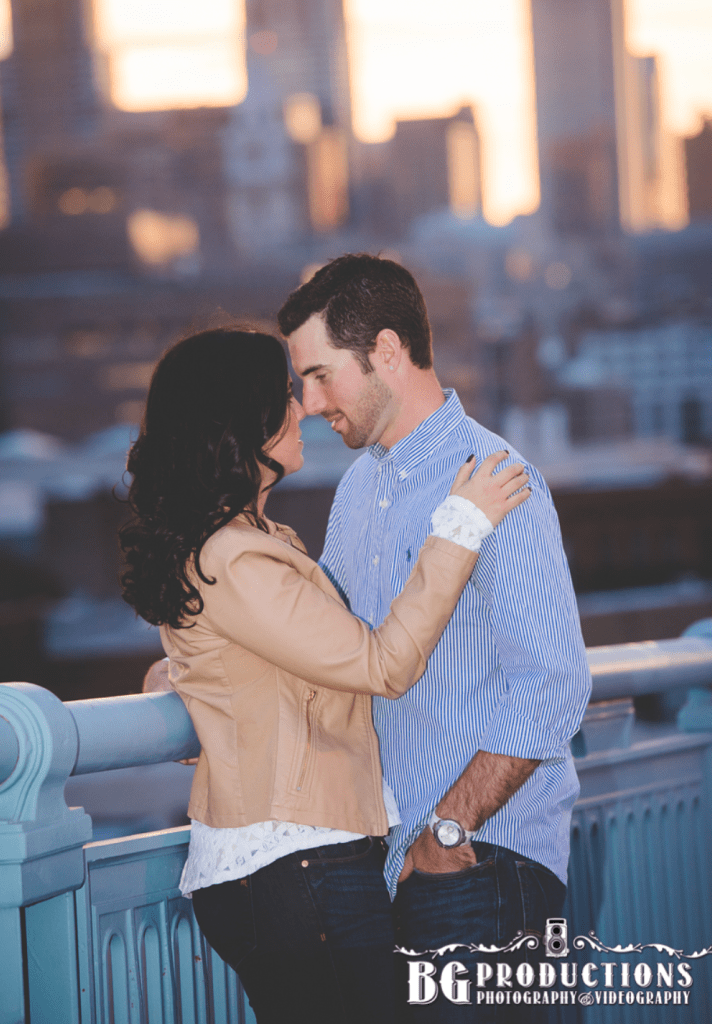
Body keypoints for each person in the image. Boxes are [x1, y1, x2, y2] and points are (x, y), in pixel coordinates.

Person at [120, 327, 531, 1024]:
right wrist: (460, 526)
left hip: (297, 867)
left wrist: (174, 674)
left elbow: (241, 657)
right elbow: (382, 664)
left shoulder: (249, 545)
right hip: (296, 867)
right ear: (241, 422)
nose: (304, 407)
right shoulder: (236, 557)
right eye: (285, 393)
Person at [277, 255, 592, 1022]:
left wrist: (447, 831)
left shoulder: (496, 475)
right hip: (396, 871)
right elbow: (326, 643)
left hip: (483, 865)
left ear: (386, 351)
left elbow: (552, 681)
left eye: (321, 376)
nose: (310, 404)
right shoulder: (357, 488)